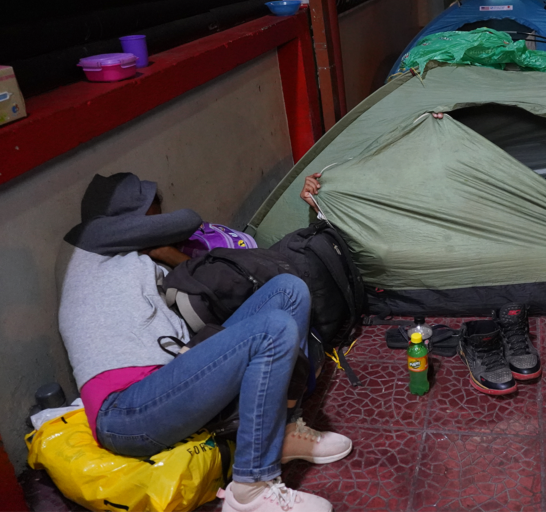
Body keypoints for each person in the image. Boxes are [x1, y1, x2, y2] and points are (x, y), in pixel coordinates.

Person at [57, 173, 348, 512]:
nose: (160, 222)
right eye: (153, 214)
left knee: (287, 290)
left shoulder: (131, 258)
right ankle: (250, 490)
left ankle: (280, 432)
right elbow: (187, 220)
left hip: (169, 380)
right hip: (125, 413)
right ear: (129, 219)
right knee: (273, 329)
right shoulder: (87, 243)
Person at [300, 115, 546, 252]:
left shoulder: (367, 181)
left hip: (462, 196)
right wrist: (318, 194)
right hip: (463, 202)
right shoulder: (353, 199)